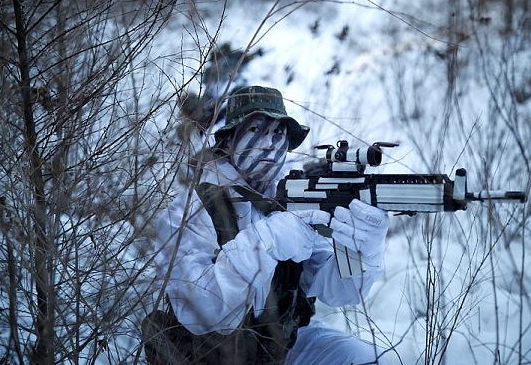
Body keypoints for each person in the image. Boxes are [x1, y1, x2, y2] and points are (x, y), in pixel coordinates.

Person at [143, 86, 389, 365]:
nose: (269, 144)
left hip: (275, 349)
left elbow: (340, 291)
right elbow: (202, 310)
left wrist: (359, 247)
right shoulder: (192, 207)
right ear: (228, 142)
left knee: (365, 358)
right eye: (255, 130)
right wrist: (269, 240)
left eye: (278, 134)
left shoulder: (292, 199)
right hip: (206, 356)